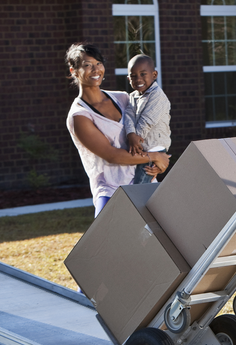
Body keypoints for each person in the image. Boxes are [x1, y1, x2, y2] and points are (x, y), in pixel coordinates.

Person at [64, 43, 169, 217]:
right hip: (112, 191)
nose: (95, 69)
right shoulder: (79, 116)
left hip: (144, 183)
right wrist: (154, 157)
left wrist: (158, 161)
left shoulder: (123, 98)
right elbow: (112, 155)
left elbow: (150, 131)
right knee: (108, 241)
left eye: (98, 63)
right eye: (87, 65)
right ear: (73, 71)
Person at [123, 54, 171, 184]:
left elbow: (147, 122)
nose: (138, 79)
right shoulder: (133, 96)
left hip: (155, 146)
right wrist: (131, 134)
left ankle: (138, 204)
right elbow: (128, 115)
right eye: (133, 76)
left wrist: (136, 141)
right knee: (145, 183)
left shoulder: (157, 96)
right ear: (128, 79)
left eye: (143, 74)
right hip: (141, 145)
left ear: (154, 75)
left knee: (141, 183)